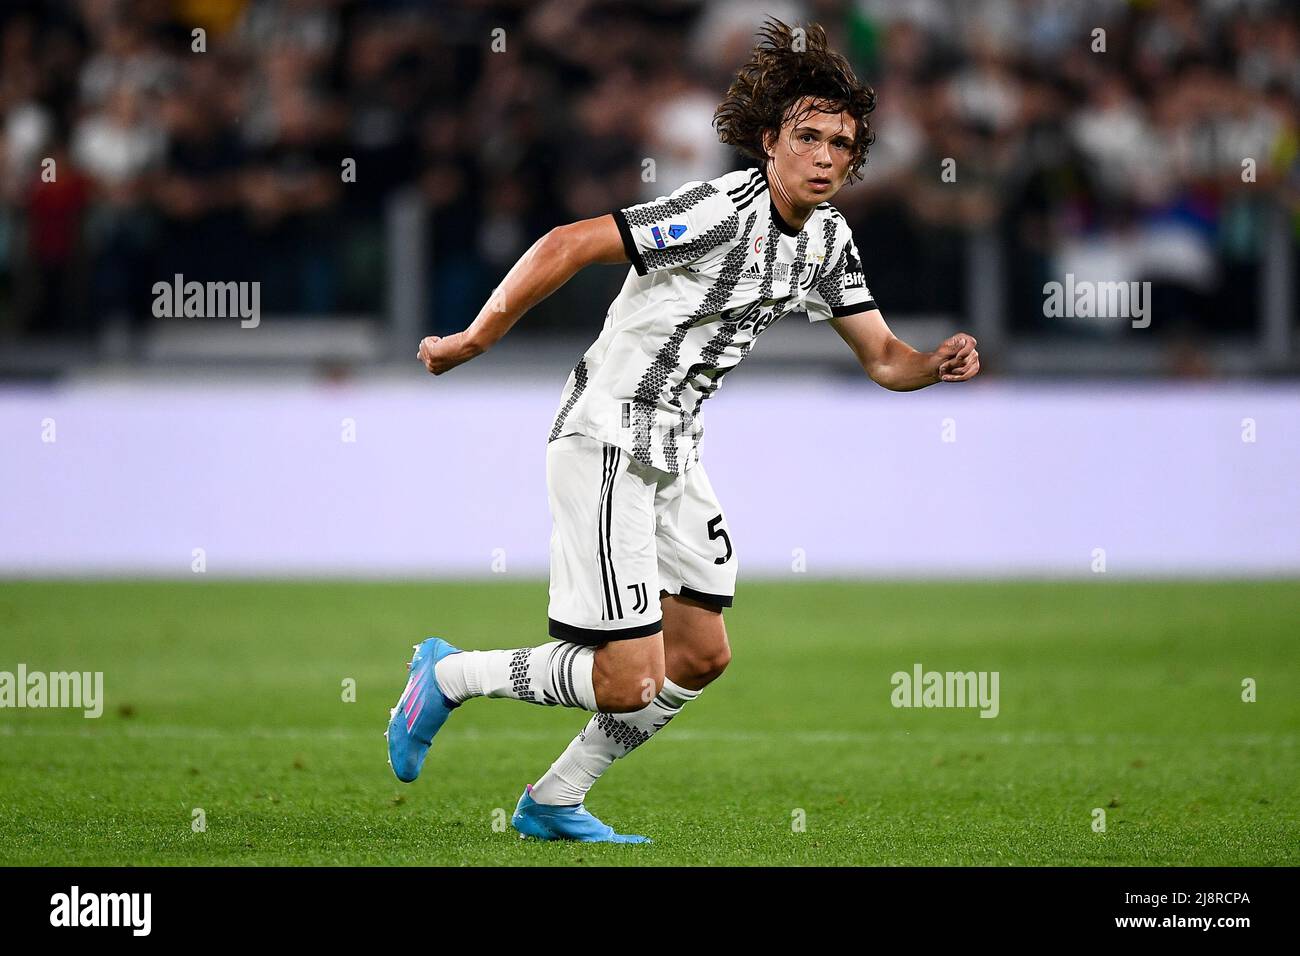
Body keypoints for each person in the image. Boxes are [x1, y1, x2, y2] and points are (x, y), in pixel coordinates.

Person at [387, 18, 980, 843]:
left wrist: (933, 364)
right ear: (769, 141)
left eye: (840, 144)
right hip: (607, 438)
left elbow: (882, 355)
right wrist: (474, 338)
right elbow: (569, 242)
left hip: (673, 451)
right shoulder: (716, 211)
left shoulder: (829, 241)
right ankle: (447, 675)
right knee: (628, 678)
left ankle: (553, 801)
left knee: (699, 655)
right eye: (806, 136)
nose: (823, 156)